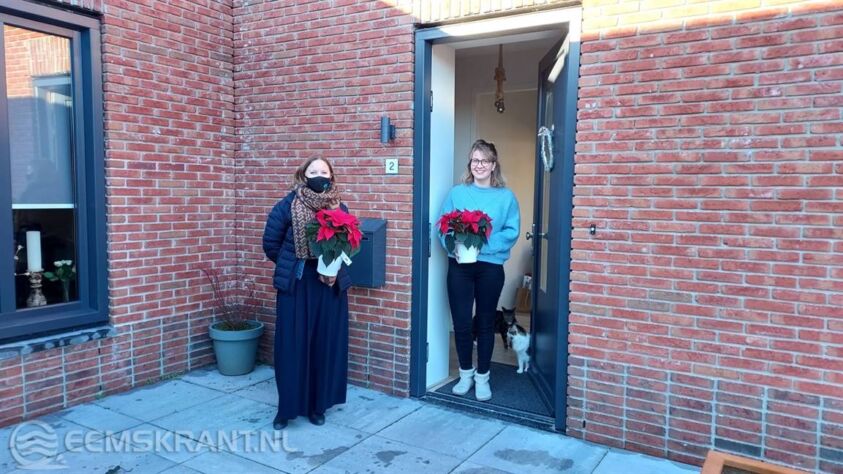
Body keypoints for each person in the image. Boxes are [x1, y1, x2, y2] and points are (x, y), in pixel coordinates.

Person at [262, 157, 351, 429]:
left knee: (324, 344)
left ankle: (317, 406)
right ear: (303, 175)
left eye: (324, 171)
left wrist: (332, 266)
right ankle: (286, 409)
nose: (319, 175)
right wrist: (292, 263)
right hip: (297, 283)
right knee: (292, 345)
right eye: (313, 171)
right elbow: (270, 242)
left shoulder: (340, 206)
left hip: (329, 283)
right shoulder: (288, 204)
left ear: (332, 176)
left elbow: (349, 240)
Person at [438, 139, 520, 401]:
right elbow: (442, 228)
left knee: (485, 324)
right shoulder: (457, 193)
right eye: (475, 160)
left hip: (491, 268)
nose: (480, 165)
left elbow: (511, 231)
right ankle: (465, 374)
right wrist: (456, 246)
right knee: (462, 323)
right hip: (460, 266)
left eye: (485, 160)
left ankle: (483, 377)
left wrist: (481, 245)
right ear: (470, 164)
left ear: (494, 165)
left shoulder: (506, 197)